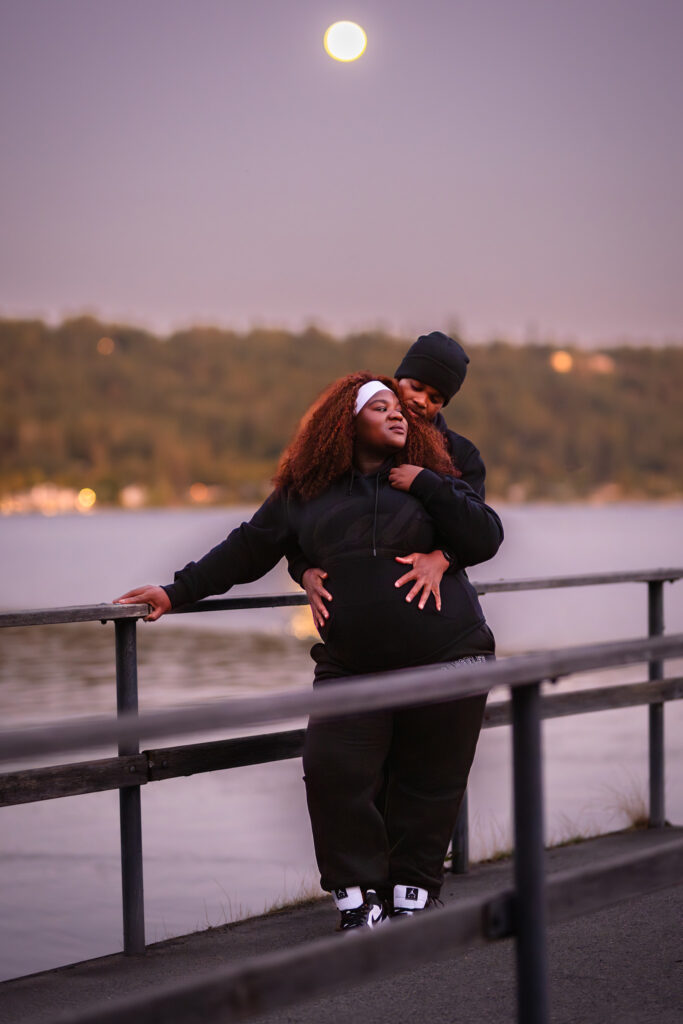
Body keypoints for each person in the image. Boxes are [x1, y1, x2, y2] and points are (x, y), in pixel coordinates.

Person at [115, 373, 503, 931]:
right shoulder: (305, 493)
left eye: (400, 407)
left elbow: (484, 537)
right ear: (346, 422)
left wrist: (426, 484)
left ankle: (413, 895)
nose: (398, 415)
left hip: (449, 653)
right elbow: (249, 548)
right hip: (353, 665)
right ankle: (358, 897)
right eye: (381, 407)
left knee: (430, 781)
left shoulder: (432, 478)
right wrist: (174, 592)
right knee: (332, 770)